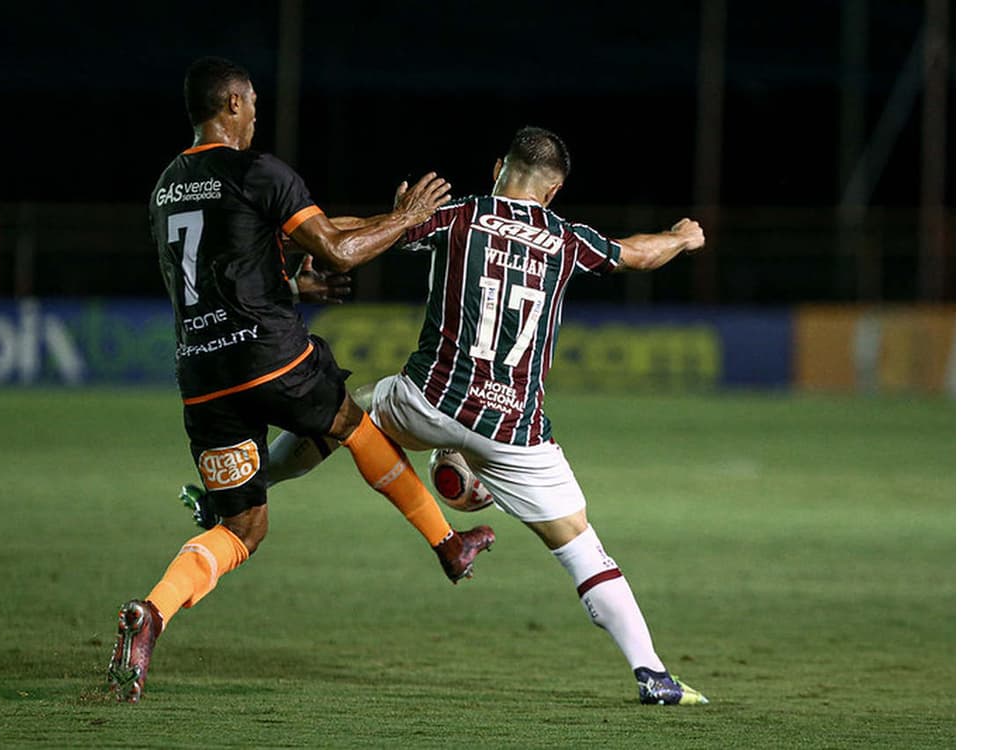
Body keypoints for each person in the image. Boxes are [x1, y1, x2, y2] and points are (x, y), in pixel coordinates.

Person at [183, 126, 711, 706]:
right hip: (515, 429)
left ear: (496, 169)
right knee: (583, 550)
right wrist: (681, 237)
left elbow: (354, 233)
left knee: (341, 417)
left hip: (430, 401)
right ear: (554, 190)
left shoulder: (458, 216)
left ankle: (245, 488)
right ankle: (653, 674)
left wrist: (365, 222)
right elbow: (639, 253)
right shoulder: (566, 240)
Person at [106, 56, 497, 703]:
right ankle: (449, 543)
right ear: (231, 103)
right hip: (272, 357)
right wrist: (405, 219)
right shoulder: (261, 172)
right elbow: (335, 246)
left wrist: (289, 283)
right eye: (252, 101)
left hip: (204, 379)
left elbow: (224, 266)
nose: (256, 111)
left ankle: (153, 612)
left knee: (242, 530)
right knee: (354, 423)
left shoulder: (168, 185)